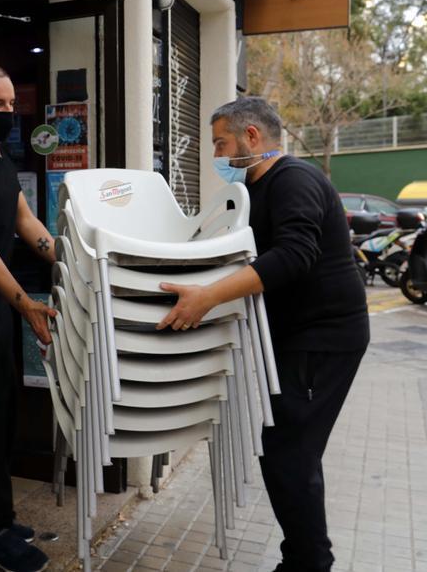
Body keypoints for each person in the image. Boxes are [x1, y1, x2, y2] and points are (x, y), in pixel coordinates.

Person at [156, 97, 369, 572]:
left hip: (323, 339)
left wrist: (209, 295)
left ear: (251, 137)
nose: (217, 155)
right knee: (286, 453)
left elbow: (295, 254)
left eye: (221, 143)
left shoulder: (293, 179)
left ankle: (310, 563)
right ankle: (302, 559)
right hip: (297, 338)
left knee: (290, 456)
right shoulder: (259, 186)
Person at [0, 61, 58, 572]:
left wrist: (68, 260)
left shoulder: (2, 157)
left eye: (11, 104)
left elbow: (26, 221)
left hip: (2, 307)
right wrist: (24, 302)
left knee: (6, 414)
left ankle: (2, 516)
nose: (7, 113)